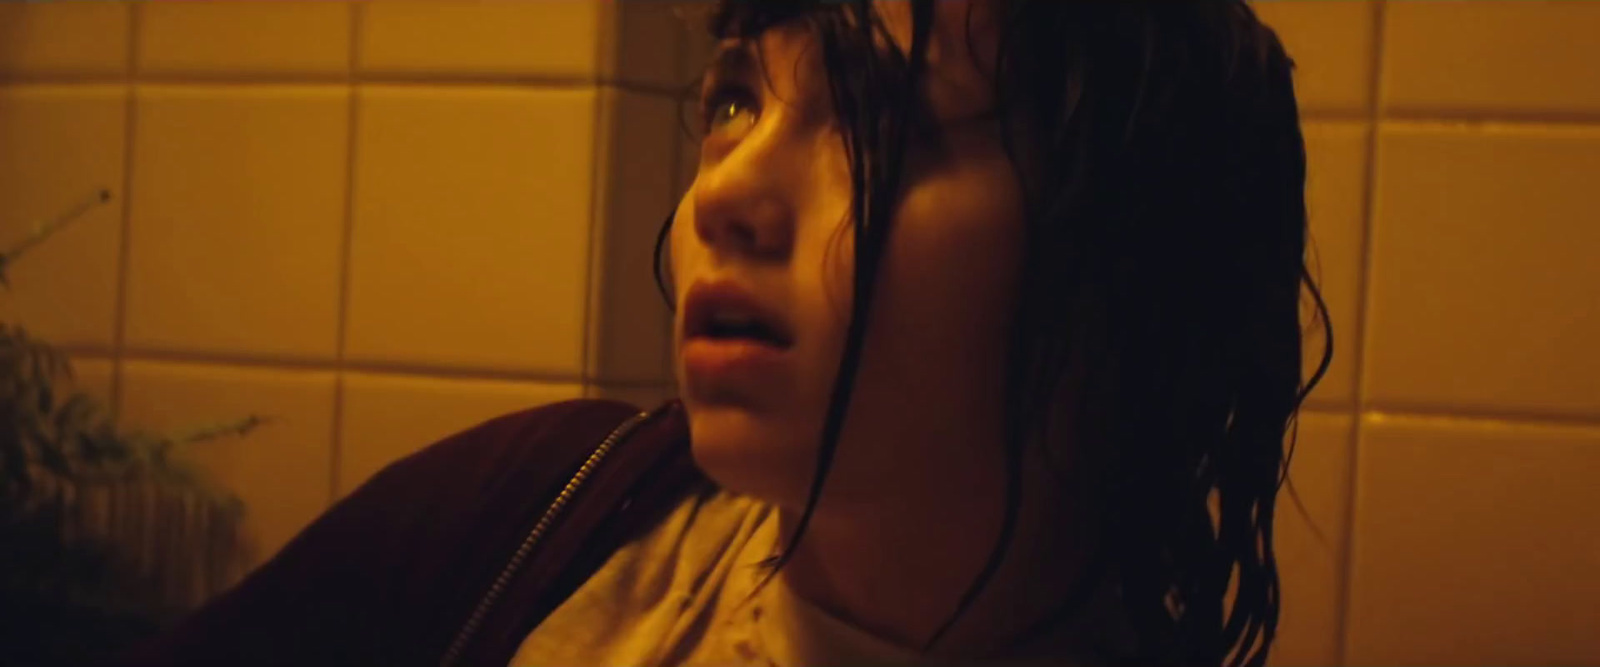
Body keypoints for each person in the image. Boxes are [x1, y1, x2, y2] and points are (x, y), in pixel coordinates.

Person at [114, 1, 1330, 666]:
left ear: (1119, 262)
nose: (721, 191)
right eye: (737, 100)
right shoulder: (532, 517)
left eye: (874, 116)